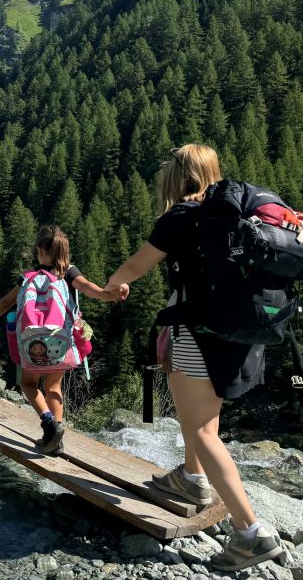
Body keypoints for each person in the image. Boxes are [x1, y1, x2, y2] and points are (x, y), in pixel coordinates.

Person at [103, 143, 286, 572]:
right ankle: (191, 478)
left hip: (198, 329)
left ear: (177, 175)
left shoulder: (183, 216)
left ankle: (250, 532)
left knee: (201, 427)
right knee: (203, 411)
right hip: (241, 330)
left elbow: (137, 265)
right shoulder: (235, 213)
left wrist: (115, 284)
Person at [0, 225, 119, 455]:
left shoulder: (28, 277)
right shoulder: (69, 272)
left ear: (40, 250)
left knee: (28, 384)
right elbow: (89, 289)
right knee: (53, 386)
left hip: (31, 343)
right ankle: (56, 440)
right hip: (60, 341)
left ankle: (49, 424)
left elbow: (5, 303)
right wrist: (108, 294)